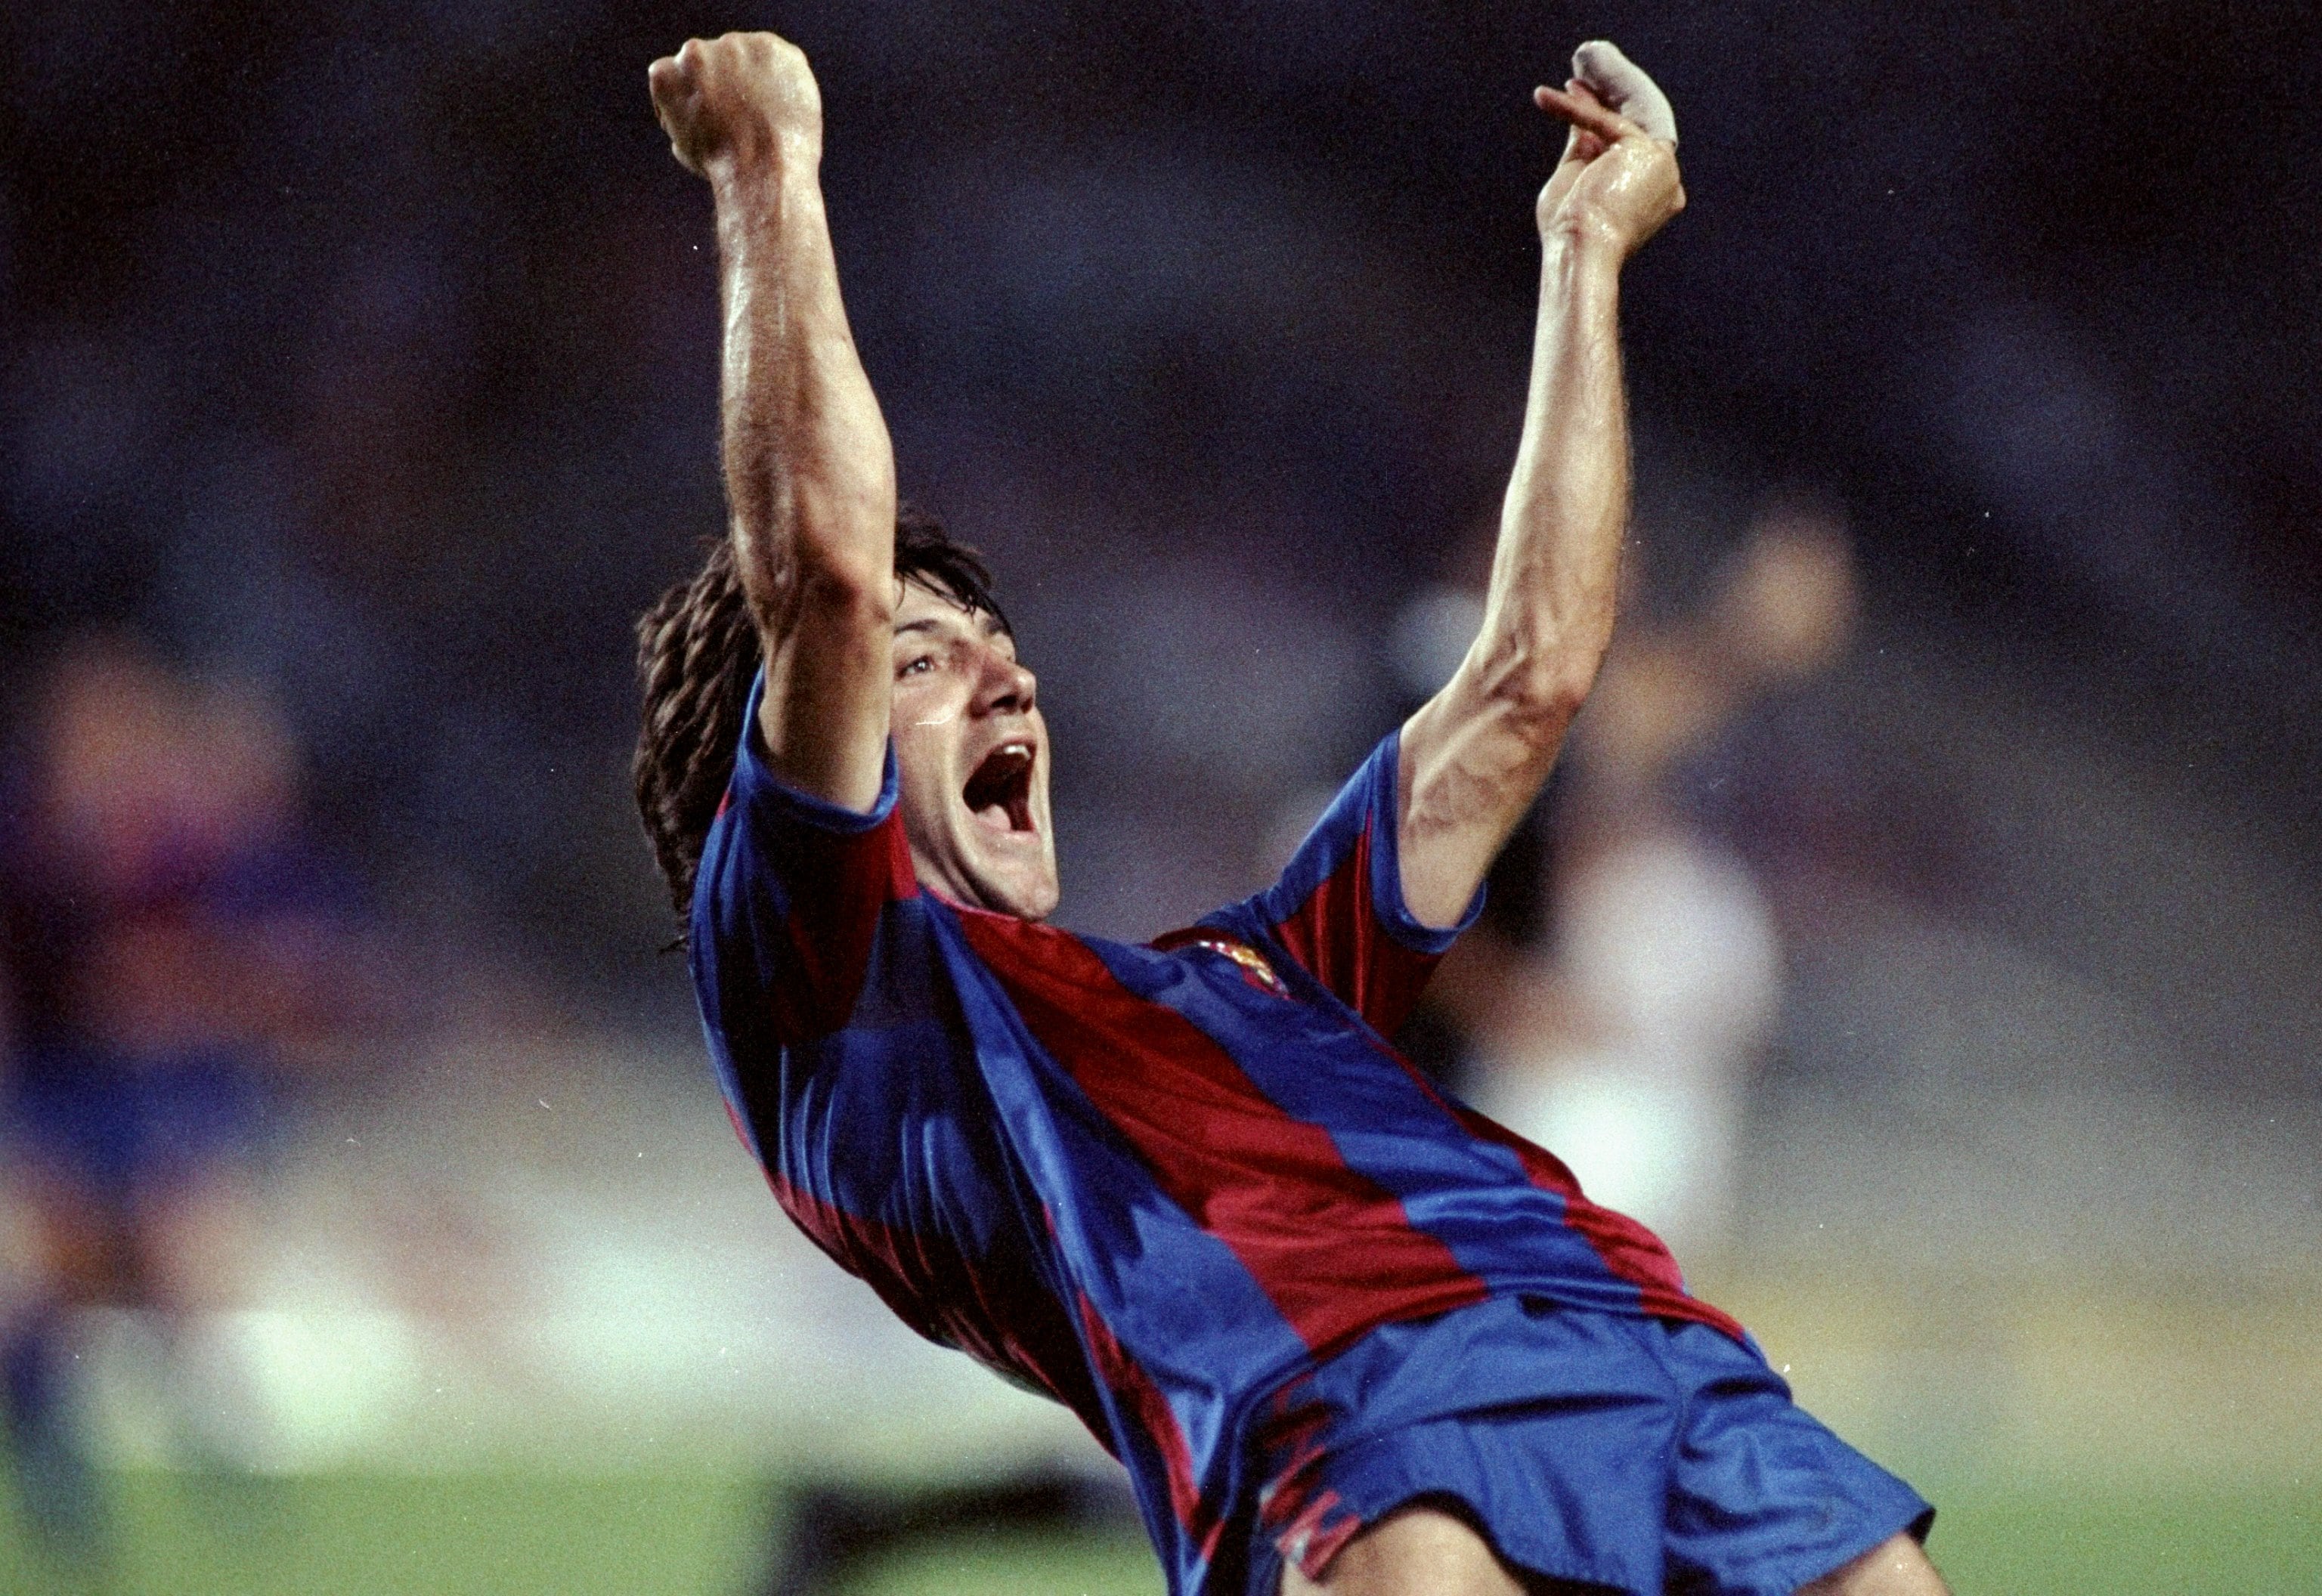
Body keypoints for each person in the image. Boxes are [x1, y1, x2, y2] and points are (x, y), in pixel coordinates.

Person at [633, 30, 1945, 1596]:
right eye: (926, 661)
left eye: (999, 644)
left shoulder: (1266, 967)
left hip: (1656, 1357)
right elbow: (827, 580)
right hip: (1361, 1414)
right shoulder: (824, 1005)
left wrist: (1584, 260)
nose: (1007, 676)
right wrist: (766, 165)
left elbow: (1531, 678)